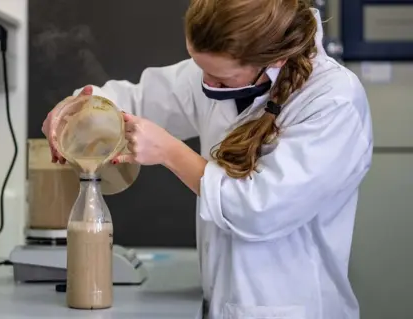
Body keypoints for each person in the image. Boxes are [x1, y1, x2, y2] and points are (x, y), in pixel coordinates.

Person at [43, 0, 373, 318]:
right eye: (200, 67)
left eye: (222, 79)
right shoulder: (215, 69)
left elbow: (258, 209)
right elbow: (134, 99)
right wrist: (74, 109)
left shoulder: (334, 101)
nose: (207, 83)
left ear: (272, 60)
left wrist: (170, 153)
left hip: (293, 309)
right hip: (222, 303)